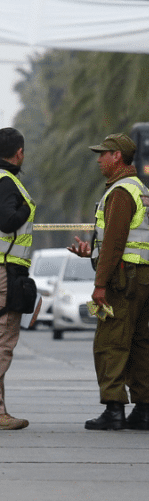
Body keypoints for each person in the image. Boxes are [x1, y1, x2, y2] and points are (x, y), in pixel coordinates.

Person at [69, 133, 149, 431]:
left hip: (124, 276)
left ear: (117, 156)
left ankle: (114, 409)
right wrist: (89, 252)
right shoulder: (140, 189)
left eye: (103, 154)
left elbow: (115, 243)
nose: (99, 159)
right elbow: (119, 240)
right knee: (136, 342)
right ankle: (143, 410)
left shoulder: (120, 192)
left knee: (110, 342)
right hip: (142, 274)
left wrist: (100, 284)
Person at [0, 128, 34, 430]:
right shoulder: (8, 183)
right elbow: (7, 221)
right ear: (19, 153)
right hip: (5, 272)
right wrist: (27, 208)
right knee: (3, 343)